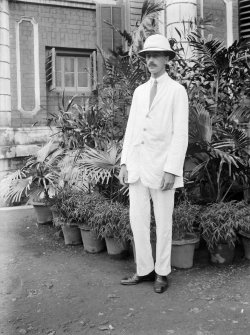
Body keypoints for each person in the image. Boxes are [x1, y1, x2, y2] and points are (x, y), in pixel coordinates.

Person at [118, 34, 189, 294]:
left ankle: (161, 273)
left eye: (156, 55)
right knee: (137, 220)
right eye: (147, 55)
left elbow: (180, 134)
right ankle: (144, 270)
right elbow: (131, 129)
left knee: (163, 221)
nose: (150, 60)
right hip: (136, 167)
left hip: (162, 168)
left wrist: (172, 168)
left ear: (167, 58)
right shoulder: (139, 91)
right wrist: (125, 162)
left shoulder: (176, 91)